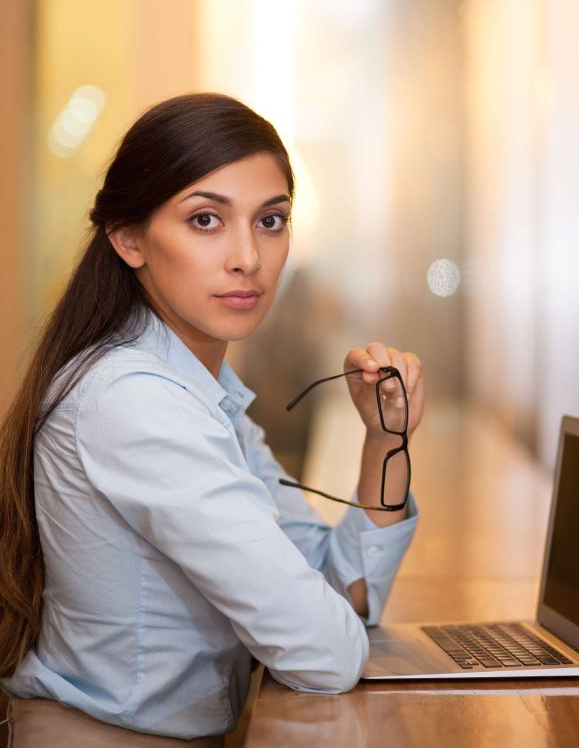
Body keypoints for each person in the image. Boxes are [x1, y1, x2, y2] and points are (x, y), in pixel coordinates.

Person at [0, 93, 422, 746]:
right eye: (205, 219)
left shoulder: (198, 388)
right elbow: (328, 652)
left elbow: (346, 601)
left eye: (271, 220)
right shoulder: (135, 401)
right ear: (129, 237)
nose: (247, 257)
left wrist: (382, 440)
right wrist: (325, 621)